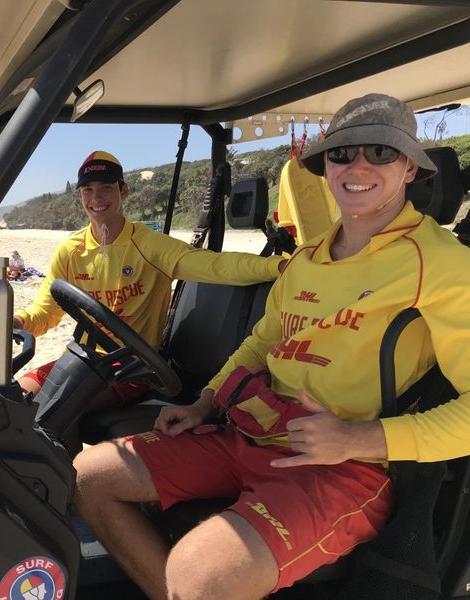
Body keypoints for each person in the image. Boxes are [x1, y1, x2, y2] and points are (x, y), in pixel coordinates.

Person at [73, 94, 470, 599]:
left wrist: (356, 439)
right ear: (326, 166)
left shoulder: (441, 264)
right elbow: (263, 341)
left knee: (201, 573)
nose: (358, 165)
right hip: (255, 428)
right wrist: (205, 401)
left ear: (410, 167)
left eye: (381, 152)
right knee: (88, 477)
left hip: (344, 465)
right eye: (342, 153)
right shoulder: (307, 258)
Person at [13, 150, 285, 406]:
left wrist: (277, 266)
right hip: (80, 361)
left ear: (124, 191)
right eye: (88, 190)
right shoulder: (70, 251)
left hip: (133, 370)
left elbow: (214, 265)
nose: (96, 198)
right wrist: (17, 322)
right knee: (15, 396)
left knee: (60, 404)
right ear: (80, 197)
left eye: (106, 188)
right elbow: (46, 312)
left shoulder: (149, 246)